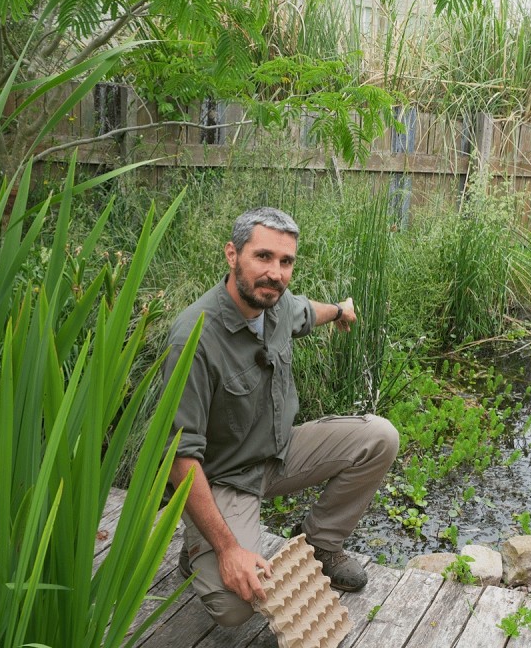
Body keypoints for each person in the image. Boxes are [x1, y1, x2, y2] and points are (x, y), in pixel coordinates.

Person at [161, 206, 400, 627]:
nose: (275, 272)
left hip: (279, 451)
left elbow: (307, 311)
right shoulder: (193, 337)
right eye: (263, 257)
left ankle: (321, 544)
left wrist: (341, 311)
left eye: (285, 261)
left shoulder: (278, 304)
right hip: (224, 478)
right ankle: (200, 545)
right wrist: (229, 549)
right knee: (234, 607)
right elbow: (181, 460)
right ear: (232, 255)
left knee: (380, 436)